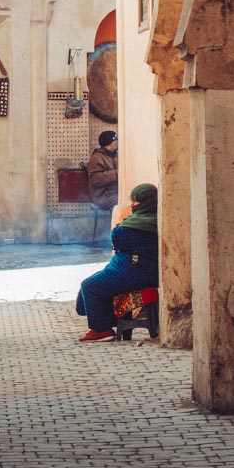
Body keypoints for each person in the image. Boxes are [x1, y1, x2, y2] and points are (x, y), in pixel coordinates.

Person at [75, 182, 159, 341]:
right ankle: (105, 321)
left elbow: (117, 238)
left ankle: (101, 329)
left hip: (135, 272)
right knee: (98, 280)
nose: (132, 205)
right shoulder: (156, 219)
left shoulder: (136, 225)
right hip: (142, 269)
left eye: (135, 202)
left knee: (91, 285)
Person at [87, 130, 119, 212]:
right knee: (121, 204)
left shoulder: (115, 156)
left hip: (115, 193)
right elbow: (96, 179)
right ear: (111, 142)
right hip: (103, 196)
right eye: (116, 140)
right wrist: (117, 173)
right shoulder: (97, 157)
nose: (118, 142)